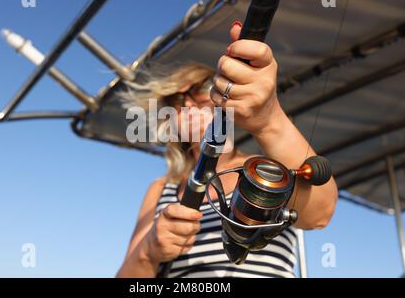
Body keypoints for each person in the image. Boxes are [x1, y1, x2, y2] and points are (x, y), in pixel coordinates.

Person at [116, 21, 338, 278]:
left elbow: (319, 214)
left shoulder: (266, 167)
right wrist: (149, 250)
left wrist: (268, 119)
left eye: (201, 91)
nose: (189, 104)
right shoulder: (161, 189)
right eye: (177, 100)